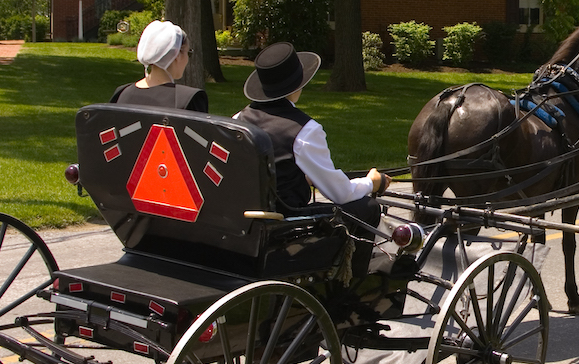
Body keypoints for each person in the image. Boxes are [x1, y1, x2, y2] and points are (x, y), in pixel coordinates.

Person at [234, 42, 390, 270]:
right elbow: (341, 193)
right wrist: (372, 182)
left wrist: (298, 176)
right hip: (284, 223)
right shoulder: (305, 130)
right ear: (297, 85)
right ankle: (353, 282)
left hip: (247, 220)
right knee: (368, 207)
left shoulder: (239, 119)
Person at [110, 20, 208, 112]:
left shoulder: (122, 94)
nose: (188, 59)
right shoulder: (188, 99)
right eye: (188, 53)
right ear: (177, 55)